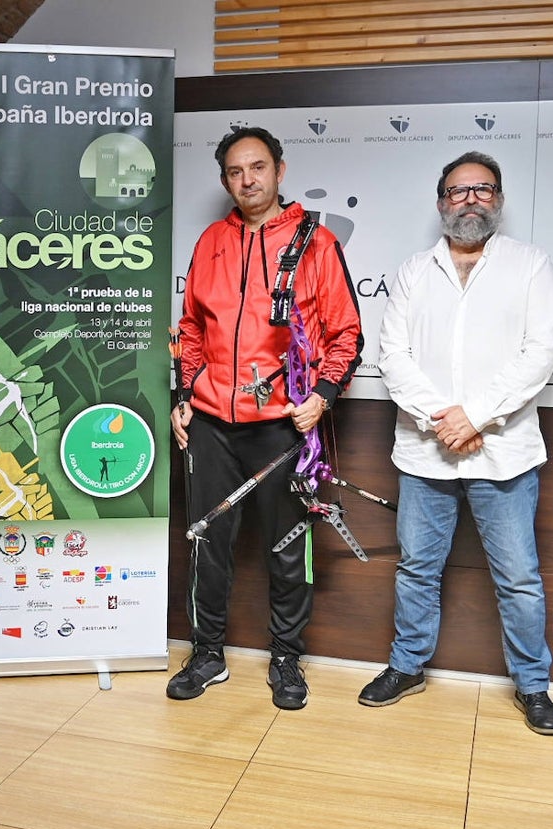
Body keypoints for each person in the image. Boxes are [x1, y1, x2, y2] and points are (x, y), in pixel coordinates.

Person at [358, 151, 553, 736]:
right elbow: (391, 356)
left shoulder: (530, 265)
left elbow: (539, 354)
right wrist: (441, 419)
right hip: (426, 452)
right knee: (417, 570)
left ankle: (533, 685)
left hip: (504, 452)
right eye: (457, 190)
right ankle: (406, 667)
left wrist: (473, 417)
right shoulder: (412, 272)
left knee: (518, 577)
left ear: (497, 199)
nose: (470, 199)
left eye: (482, 189)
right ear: (441, 200)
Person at [169, 127, 363, 709]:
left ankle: (286, 658)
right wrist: (184, 394)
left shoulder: (316, 242)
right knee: (209, 544)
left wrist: (323, 394)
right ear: (225, 179)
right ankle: (207, 654)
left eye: (257, 167)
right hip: (211, 423)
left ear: (279, 169)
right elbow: (193, 330)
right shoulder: (210, 241)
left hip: (284, 427)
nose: (247, 180)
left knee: (287, 545)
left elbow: (346, 334)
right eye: (234, 171)